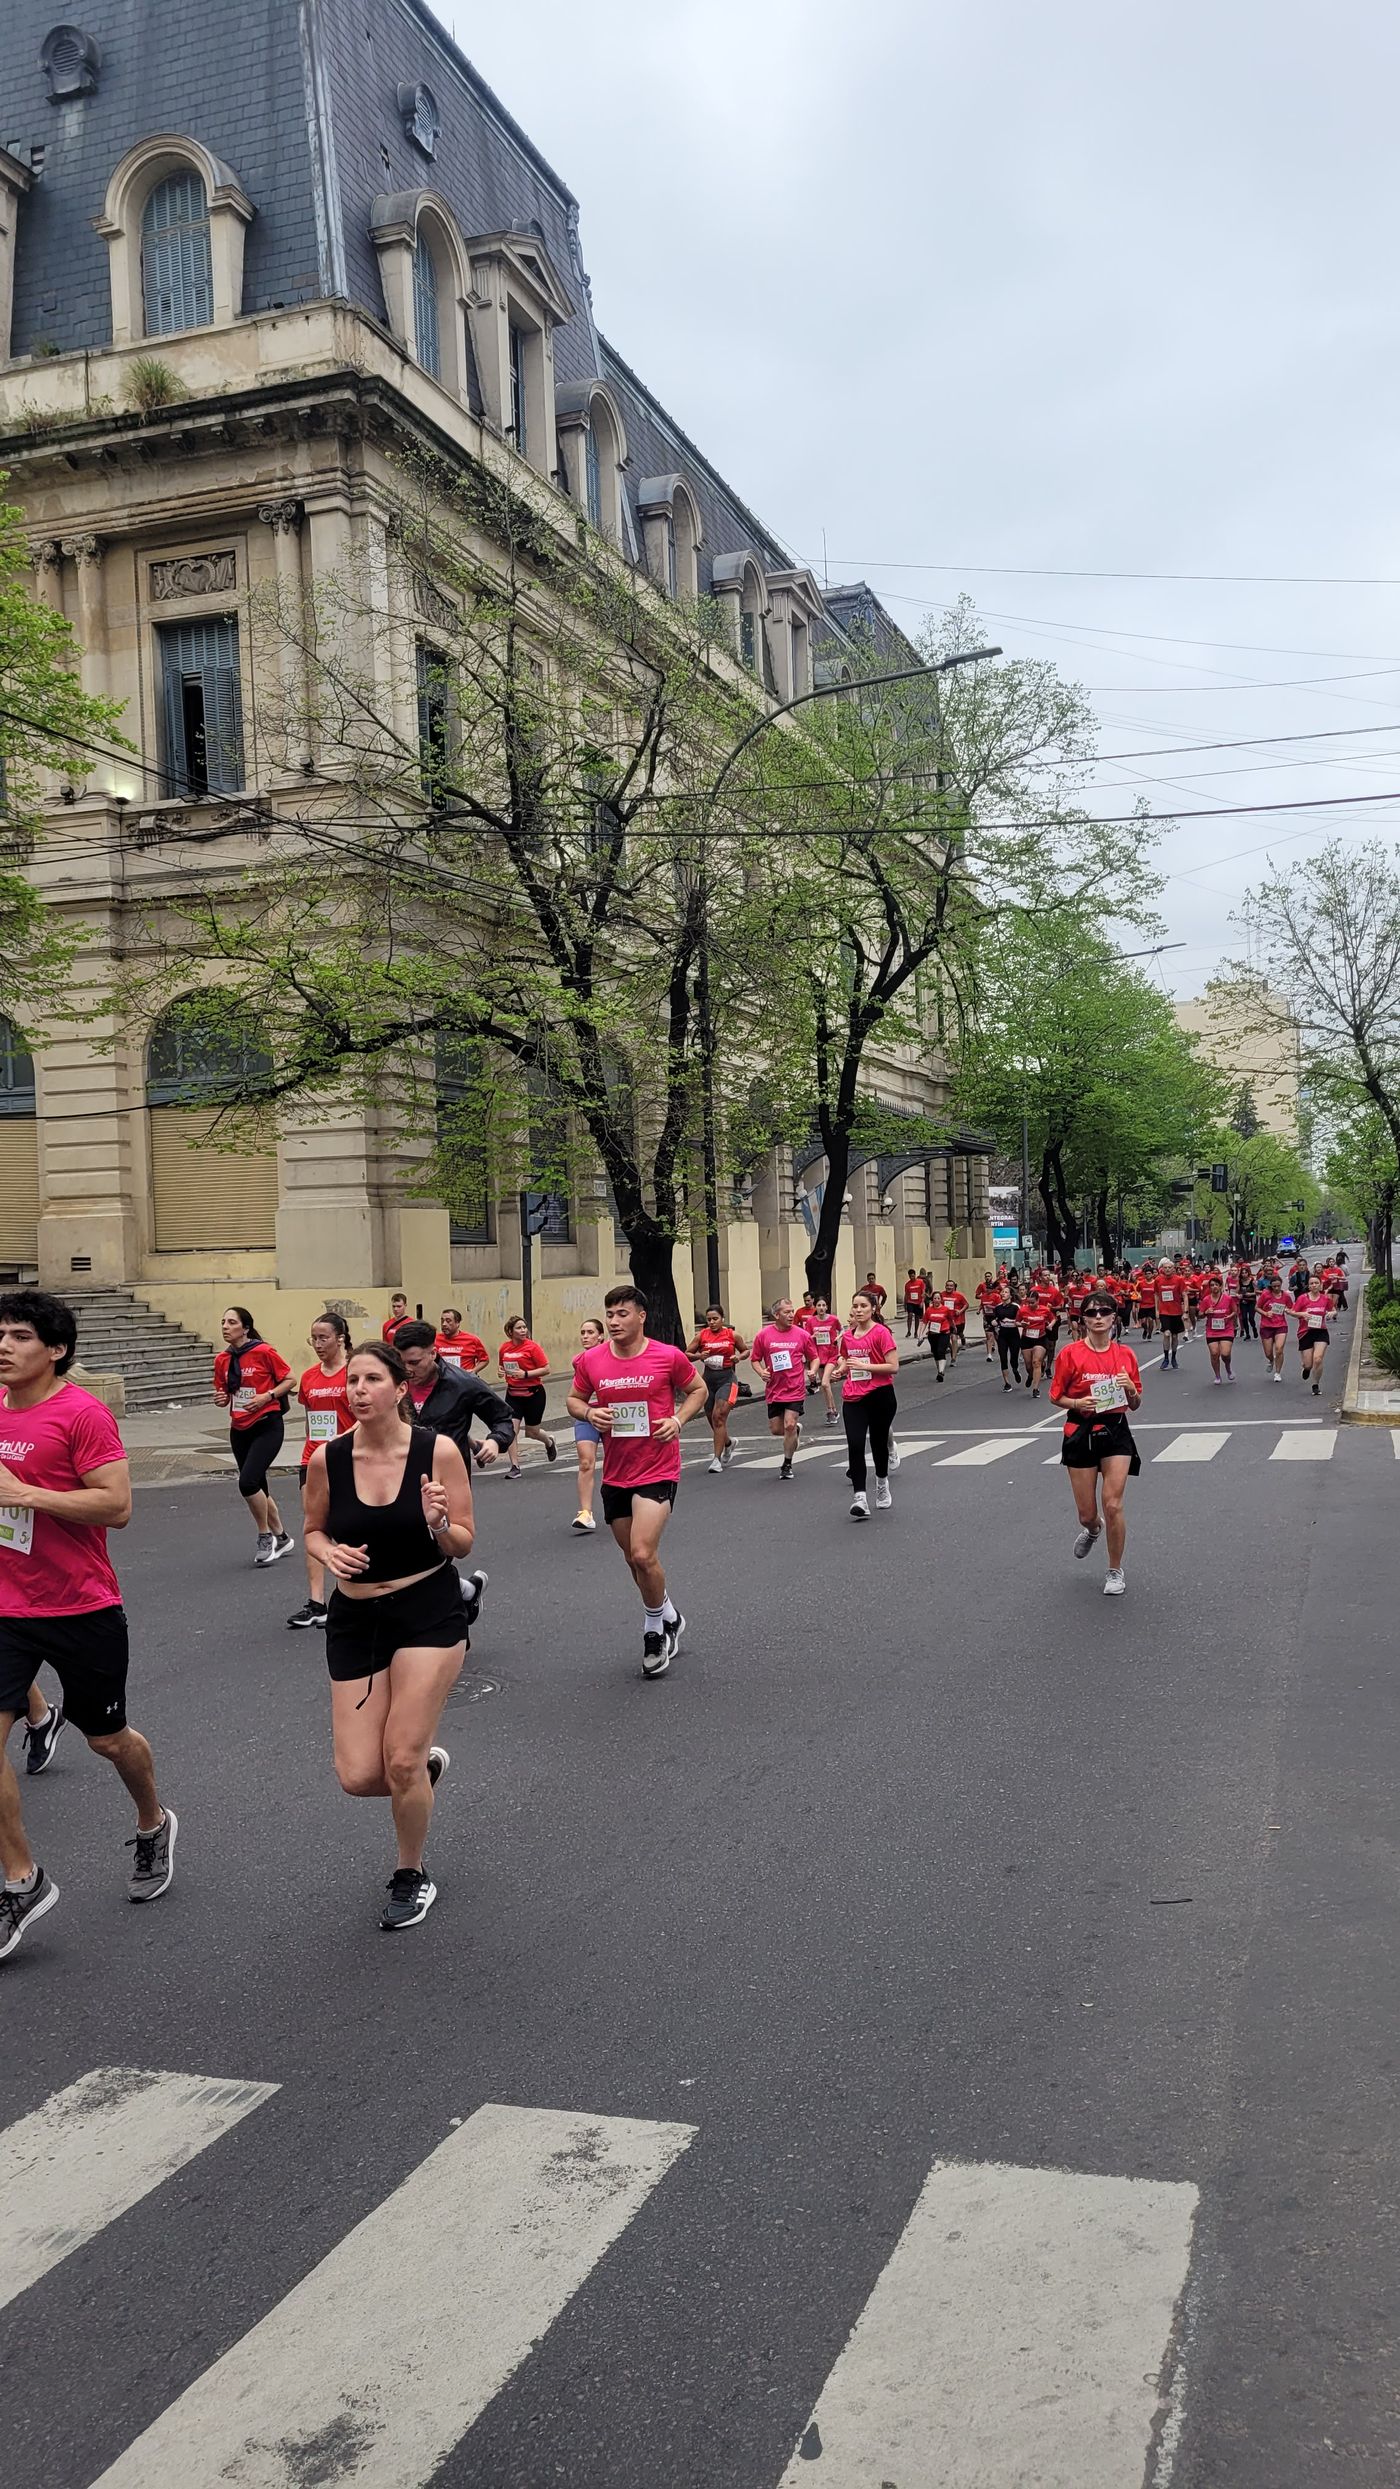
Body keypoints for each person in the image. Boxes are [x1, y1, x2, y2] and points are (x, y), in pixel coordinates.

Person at [0, 1289, 176, 1960]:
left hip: (80, 1605)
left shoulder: (81, 1414)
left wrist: (24, 1494)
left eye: (19, 1335)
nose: (4, 1345)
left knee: (107, 1739)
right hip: (6, 1607)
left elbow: (116, 1505)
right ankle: (22, 1880)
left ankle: (152, 1820)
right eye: (0, 1334)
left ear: (56, 1349)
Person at [303, 1339, 474, 1931]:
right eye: (352, 1380)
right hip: (356, 1619)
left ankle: (411, 1872)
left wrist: (439, 1523)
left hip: (427, 1610)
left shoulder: (437, 1451)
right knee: (358, 1777)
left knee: (400, 1758)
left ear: (400, 1388)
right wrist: (329, 1553)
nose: (358, 1390)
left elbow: (464, 1542)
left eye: (372, 1379)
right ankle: (419, 1775)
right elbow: (313, 1529)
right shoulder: (328, 1459)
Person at [567, 1284, 706, 1677]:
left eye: (622, 1314)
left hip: (657, 1466)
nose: (614, 1321)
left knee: (644, 1553)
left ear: (641, 1317)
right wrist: (589, 1413)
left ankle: (653, 1629)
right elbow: (574, 1399)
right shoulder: (592, 1360)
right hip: (617, 1472)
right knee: (633, 1558)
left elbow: (697, 1389)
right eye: (609, 1314)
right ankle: (670, 1615)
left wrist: (677, 1420)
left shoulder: (667, 1356)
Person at [1049, 1289, 1143, 1598]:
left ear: (1114, 1317)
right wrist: (1077, 1403)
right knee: (1087, 1513)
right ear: (1084, 1319)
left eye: (1104, 1312)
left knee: (1113, 1503)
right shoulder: (1070, 1354)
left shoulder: (1125, 1355)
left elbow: (1135, 1403)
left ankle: (1115, 1569)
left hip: (1115, 1429)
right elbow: (1055, 1396)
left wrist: (1130, 1389)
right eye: (1092, 1313)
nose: (1098, 1317)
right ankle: (1092, 1529)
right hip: (1081, 1430)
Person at [287, 1311, 355, 1628]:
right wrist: (312, 1450)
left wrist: (342, 1439)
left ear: (340, 1339)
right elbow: (311, 1419)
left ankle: (350, 1596)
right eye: (313, 1338)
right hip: (313, 1459)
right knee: (314, 1526)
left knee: (349, 1526)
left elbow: (366, 1417)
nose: (317, 1344)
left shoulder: (354, 1373)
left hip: (347, 1457)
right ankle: (316, 1602)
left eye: (323, 1338)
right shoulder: (310, 1377)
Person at [213, 1307, 295, 1565]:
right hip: (239, 1428)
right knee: (259, 1485)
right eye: (223, 1322)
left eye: (231, 1322)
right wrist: (221, 1398)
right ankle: (282, 1537)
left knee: (247, 1482)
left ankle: (264, 1535)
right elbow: (224, 1392)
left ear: (245, 1328)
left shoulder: (264, 1352)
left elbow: (290, 1380)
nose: (225, 1326)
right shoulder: (222, 1359)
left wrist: (267, 1396)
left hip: (267, 1424)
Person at [834, 1290, 899, 1520]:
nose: (858, 1310)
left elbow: (893, 1366)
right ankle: (860, 1497)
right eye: (855, 1306)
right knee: (855, 1444)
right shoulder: (848, 1336)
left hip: (880, 1395)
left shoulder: (881, 1333)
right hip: (854, 1397)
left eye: (863, 1306)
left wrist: (865, 1366)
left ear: (873, 1308)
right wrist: (841, 1369)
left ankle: (881, 1482)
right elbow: (845, 1358)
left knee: (878, 1444)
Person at [751, 1298, 820, 1478]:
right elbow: (755, 1359)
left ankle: (787, 1464)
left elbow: (814, 1357)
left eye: (792, 1311)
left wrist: (812, 1370)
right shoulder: (763, 1335)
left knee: (788, 1424)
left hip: (795, 1388)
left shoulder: (802, 1335)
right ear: (776, 1315)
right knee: (776, 1429)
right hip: (774, 1389)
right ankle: (795, 1431)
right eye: (786, 1312)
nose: (791, 1315)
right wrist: (761, 1372)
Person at [687, 1304, 747, 1472]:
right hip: (708, 1380)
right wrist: (699, 1355)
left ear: (722, 1319)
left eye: (715, 1319)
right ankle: (728, 1443)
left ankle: (716, 1460)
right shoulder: (701, 1335)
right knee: (713, 1420)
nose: (712, 1322)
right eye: (709, 1320)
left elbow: (745, 1351)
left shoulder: (732, 1335)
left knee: (718, 1417)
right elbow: (687, 1354)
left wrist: (738, 1357)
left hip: (727, 1379)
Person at [498, 1315, 557, 1474]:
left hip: (533, 1394)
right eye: (519, 1328)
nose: (523, 1330)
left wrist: (525, 1374)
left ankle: (549, 1442)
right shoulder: (504, 1348)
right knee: (511, 1431)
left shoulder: (532, 1347)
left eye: (524, 1327)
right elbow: (502, 1366)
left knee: (532, 1432)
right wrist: (501, 1371)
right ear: (510, 1331)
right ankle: (515, 1466)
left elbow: (546, 1369)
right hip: (513, 1395)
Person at [570, 1317, 607, 1528]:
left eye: (590, 1333)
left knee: (619, 1462)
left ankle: (624, 1504)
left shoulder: (612, 1356)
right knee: (586, 1462)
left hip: (610, 1414)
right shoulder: (578, 1360)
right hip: (586, 1414)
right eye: (583, 1333)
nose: (585, 1337)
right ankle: (586, 1513)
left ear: (601, 1336)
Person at [1291, 1276, 1334, 1395]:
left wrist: (1332, 1313)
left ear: (1320, 1285)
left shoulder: (1325, 1298)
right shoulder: (1302, 1298)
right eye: (1312, 1283)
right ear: (1309, 1286)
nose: (1314, 1285)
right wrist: (1303, 1314)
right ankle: (1306, 1368)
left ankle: (1315, 1385)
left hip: (1320, 1331)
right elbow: (1292, 1312)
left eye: (1316, 1283)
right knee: (1308, 1364)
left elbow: (1333, 1310)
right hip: (1305, 1332)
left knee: (1318, 1359)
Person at [806, 1297, 843, 1423]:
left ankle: (831, 1411)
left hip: (831, 1354)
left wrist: (838, 1337)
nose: (821, 1308)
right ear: (815, 1307)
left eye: (823, 1305)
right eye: (819, 1305)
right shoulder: (811, 1321)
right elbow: (806, 1338)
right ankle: (833, 1411)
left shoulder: (833, 1319)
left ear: (827, 1307)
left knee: (825, 1383)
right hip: (818, 1357)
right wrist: (813, 1336)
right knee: (825, 1386)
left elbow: (842, 1329)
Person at [1201, 1278, 1238, 1383]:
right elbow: (1200, 1314)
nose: (1214, 1287)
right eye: (1212, 1285)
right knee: (1214, 1353)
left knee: (1225, 1354)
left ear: (1220, 1286)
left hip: (1226, 1329)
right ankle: (1217, 1376)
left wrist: (1229, 1317)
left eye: (1216, 1285)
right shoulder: (1206, 1300)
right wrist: (1206, 1312)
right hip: (1212, 1330)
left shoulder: (1228, 1299)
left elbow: (1235, 1311)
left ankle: (1228, 1368)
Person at [433, 1309, 489, 1373]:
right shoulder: (434, 1339)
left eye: (448, 1321)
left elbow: (484, 1360)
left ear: (457, 1323)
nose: (444, 1324)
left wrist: (474, 1370)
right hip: (442, 1377)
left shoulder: (472, 1340)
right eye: (442, 1321)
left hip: (463, 1377)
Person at [1257, 1277, 1291, 1381]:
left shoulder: (1286, 1296)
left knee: (1279, 1349)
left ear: (1281, 1285)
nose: (1276, 1288)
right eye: (1274, 1286)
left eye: (1278, 1286)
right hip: (1266, 1326)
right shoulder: (1265, 1295)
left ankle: (1277, 1373)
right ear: (1271, 1286)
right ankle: (1271, 1360)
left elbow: (1291, 1308)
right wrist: (1265, 1313)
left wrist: (1287, 1310)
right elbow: (1257, 1307)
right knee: (1268, 1353)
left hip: (1281, 1325)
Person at [1154, 1260, 1186, 1369]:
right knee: (1167, 1334)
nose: (1167, 1269)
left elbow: (1184, 1295)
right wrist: (1157, 1310)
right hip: (1164, 1311)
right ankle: (1166, 1358)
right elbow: (1156, 1295)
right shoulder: (1158, 1280)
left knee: (1175, 1336)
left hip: (1176, 1311)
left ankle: (1174, 1357)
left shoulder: (1179, 1280)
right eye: (1165, 1267)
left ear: (1173, 1269)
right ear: (1162, 1269)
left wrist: (1185, 1311)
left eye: (1169, 1267)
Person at [922, 1283, 956, 1380]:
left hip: (944, 1333)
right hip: (932, 1334)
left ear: (941, 1299)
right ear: (932, 1300)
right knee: (936, 1352)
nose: (936, 1300)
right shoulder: (929, 1310)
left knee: (941, 1351)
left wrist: (954, 1327)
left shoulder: (946, 1309)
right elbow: (924, 1322)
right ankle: (939, 1370)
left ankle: (941, 1372)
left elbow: (950, 1320)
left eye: (938, 1298)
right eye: (935, 1298)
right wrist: (921, 1334)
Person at [993, 1282, 1023, 1389]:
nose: (1003, 1294)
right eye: (1002, 1292)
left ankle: (1015, 1370)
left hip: (1013, 1334)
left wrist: (1020, 1332)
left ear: (1010, 1295)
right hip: (1002, 1335)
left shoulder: (1015, 1307)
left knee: (1013, 1358)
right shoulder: (998, 1308)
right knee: (1003, 1358)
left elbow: (1020, 1320)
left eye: (1006, 1292)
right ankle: (1007, 1383)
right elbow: (996, 1319)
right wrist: (995, 1322)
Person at [902, 1268, 927, 1339]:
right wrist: (905, 1304)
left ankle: (915, 1332)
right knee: (910, 1315)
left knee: (917, 1317)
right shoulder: (907, 1284)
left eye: (913, 1276)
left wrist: (922, 1301)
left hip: (918, 1302)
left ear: (915, 1275)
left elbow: (923, 1292)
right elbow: (906, 1294)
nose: (912, 1278)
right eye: (910, 1276)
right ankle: (909, 1331)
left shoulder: (920, 1282)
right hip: (910, 1302)